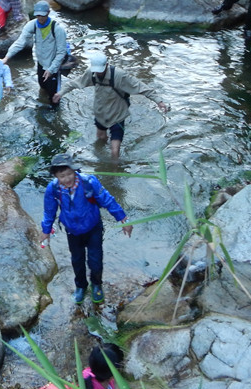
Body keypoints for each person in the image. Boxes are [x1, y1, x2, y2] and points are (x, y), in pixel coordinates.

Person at [41, 153, 132, 304]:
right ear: (56, 175)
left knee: (95, 259)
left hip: (93, 227)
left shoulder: (88, 182)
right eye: (62, 176)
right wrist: (45, 231)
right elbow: (49, 210)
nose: (67, 178)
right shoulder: (53, 189)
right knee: (77, 260)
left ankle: (96, 284)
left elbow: (107, 199)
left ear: (74, 171)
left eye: (70, 173)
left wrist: (123, 219)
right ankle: (81, 286)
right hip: (72, 231)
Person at [52, 51, 170, 158]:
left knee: (115, 151)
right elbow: (74, 83)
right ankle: (101, 162)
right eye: (96, 71)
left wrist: (158, 101)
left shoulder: (119, 75)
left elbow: (140, 87)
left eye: (100, 70)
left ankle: (114, 174)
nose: (98, 73)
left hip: (118, 114)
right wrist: (60, 93)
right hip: (101, 112)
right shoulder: (91, 74)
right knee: (101, 138)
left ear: (107, 65)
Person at [2, 1, 68, 104]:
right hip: (41, 64)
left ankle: (54, 115)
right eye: (38, 15)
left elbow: (61, 52)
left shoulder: (57, 29)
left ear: (48, 13)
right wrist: (7, 57)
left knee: (54, 97)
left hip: (53, 67)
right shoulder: (32, 25)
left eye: (42, 15)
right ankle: (43, 104)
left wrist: (51, 69)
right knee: (42, 86)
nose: (40, 18)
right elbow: (20, 42)